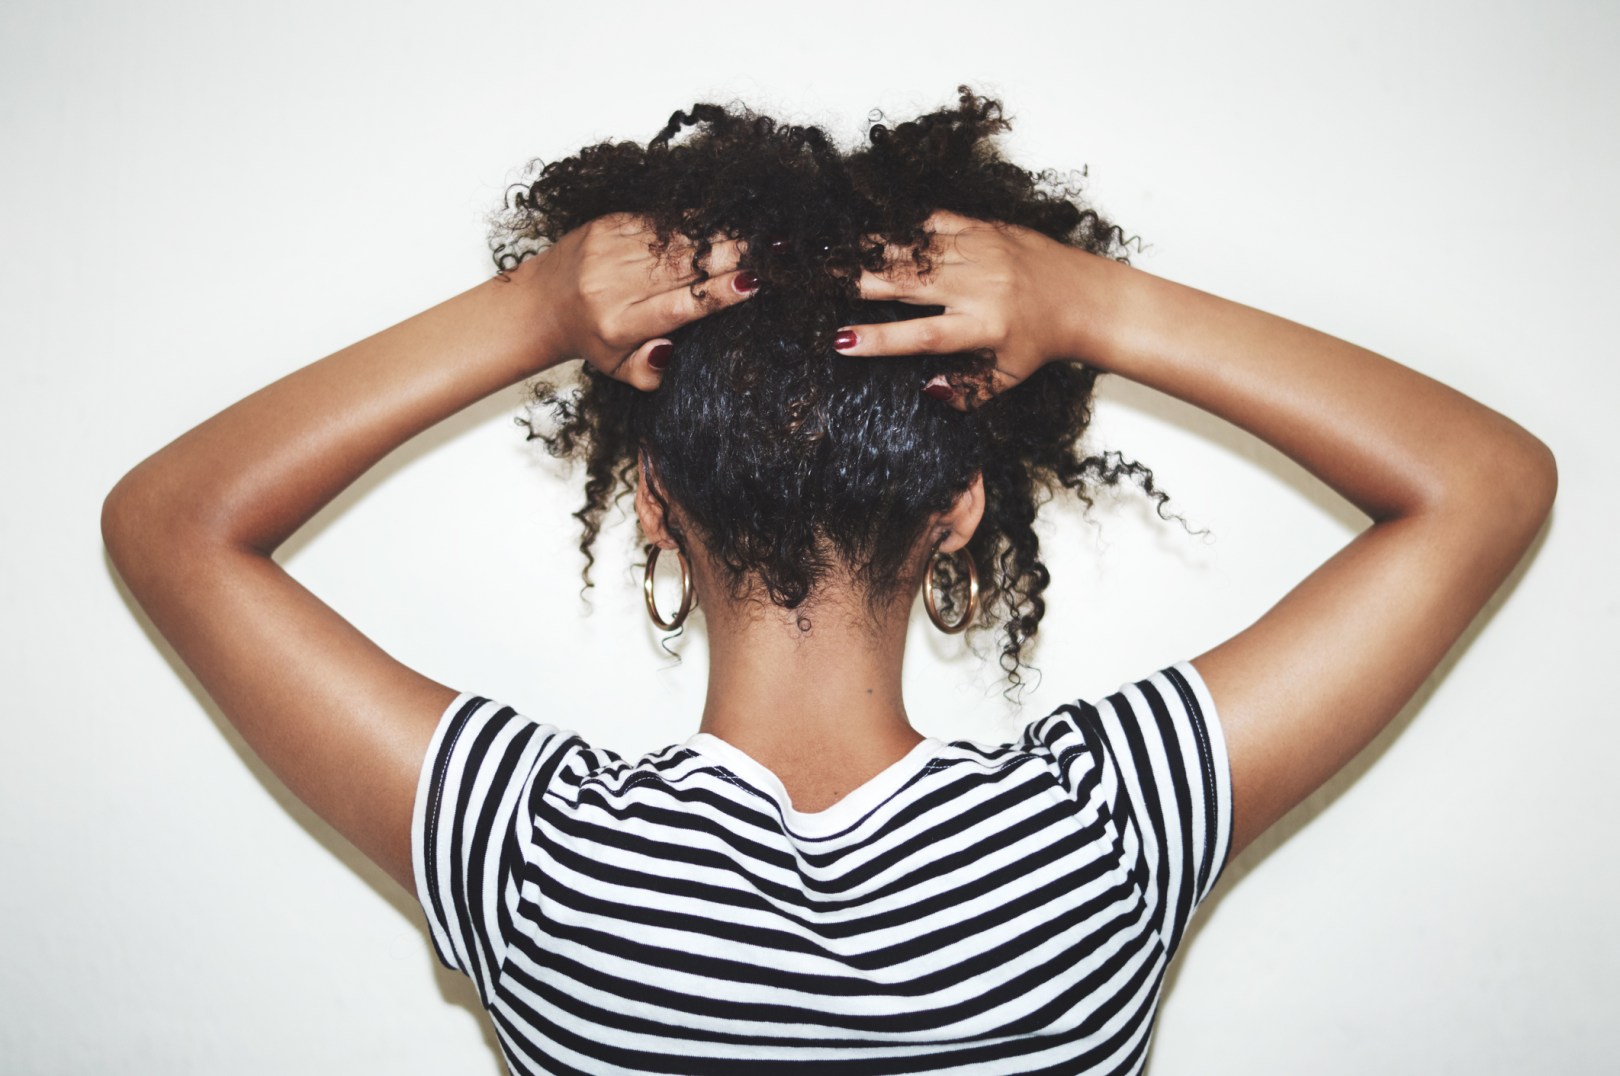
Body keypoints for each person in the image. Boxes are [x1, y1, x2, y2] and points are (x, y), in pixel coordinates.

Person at [101, 89, 1555, 1074]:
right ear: (964, 507)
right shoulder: (1104, 840)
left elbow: (170, 525)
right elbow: (1486, 484)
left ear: (654, 509)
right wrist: (1086, 300)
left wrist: (536, 306)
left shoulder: (535, 863)